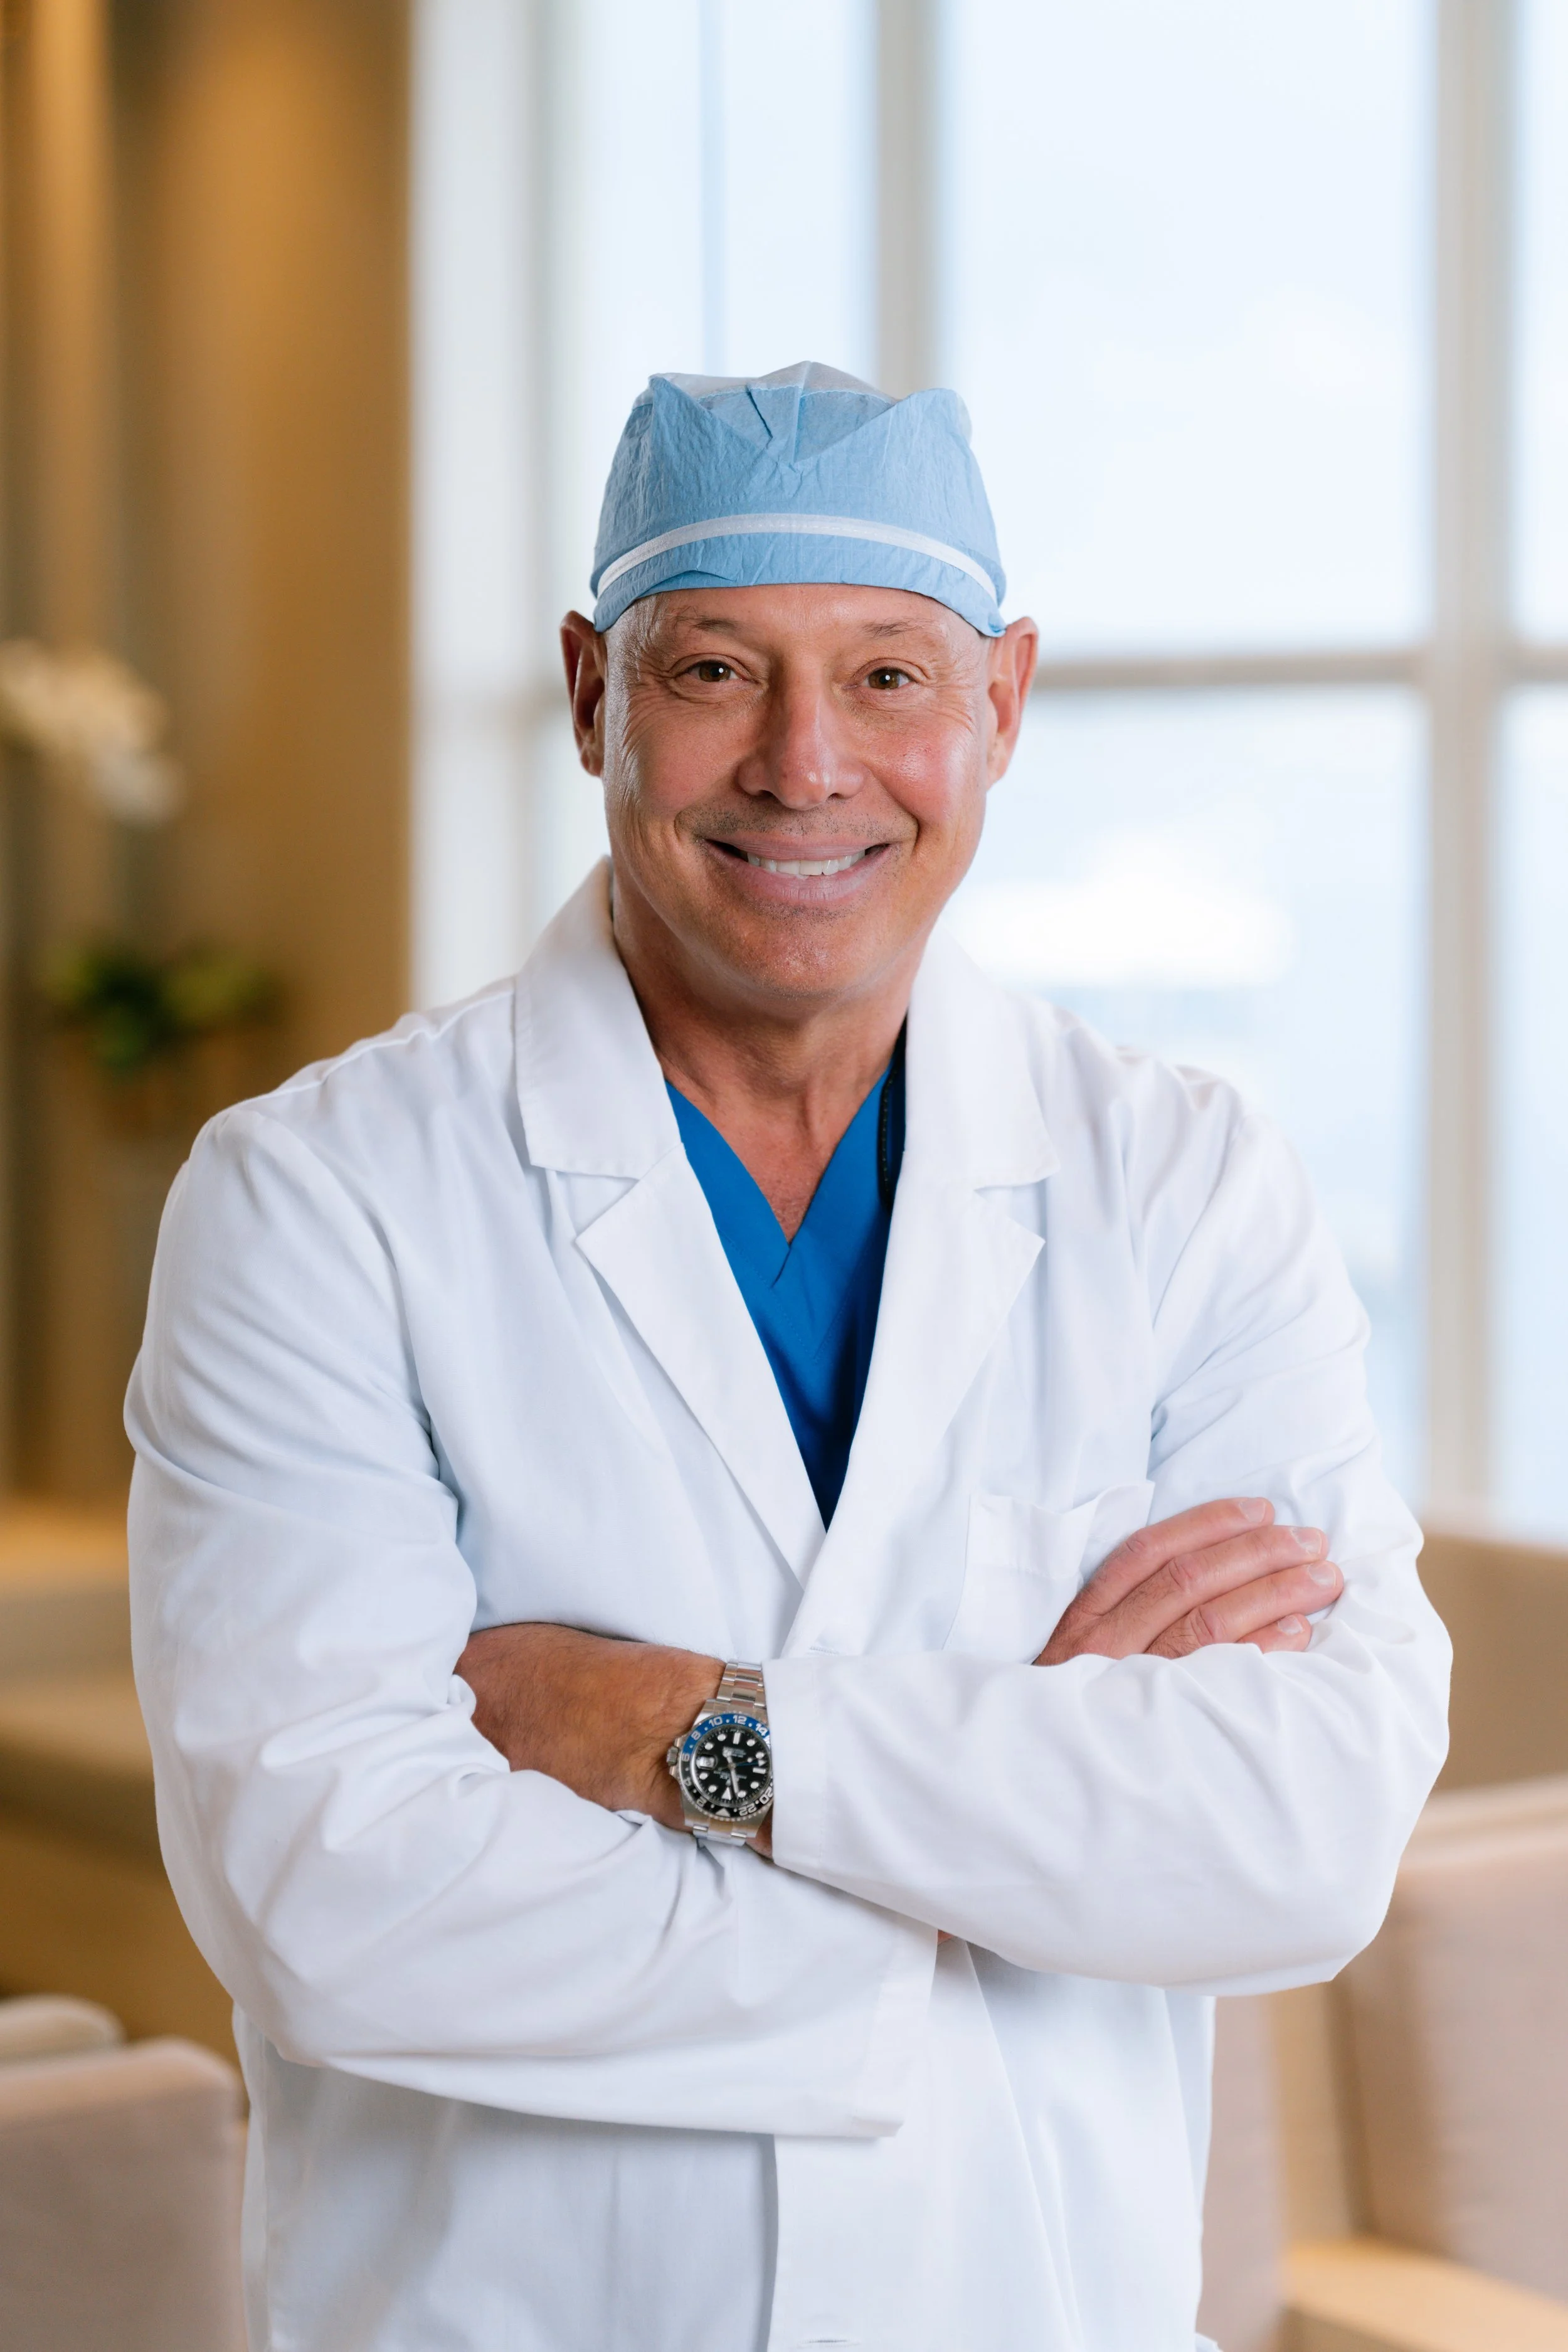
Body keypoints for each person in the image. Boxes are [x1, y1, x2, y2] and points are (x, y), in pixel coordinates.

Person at [127, 361, 1449, 2352]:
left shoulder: (1179, 1182)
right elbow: (334, 1900)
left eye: (891, 677)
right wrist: (1017, 1858)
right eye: (716, 669)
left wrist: (680, 1732)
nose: (804, 762)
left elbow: (1307, 1832)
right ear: (592, 693)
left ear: (1001, 703)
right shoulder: (319, 1199)